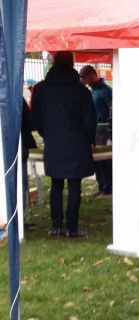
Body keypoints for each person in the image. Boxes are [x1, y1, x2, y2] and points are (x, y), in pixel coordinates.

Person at [31, 51, 96, 238]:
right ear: (72, 64)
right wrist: (87, 139)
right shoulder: (82, 91)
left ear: (53, 63)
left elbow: (36, 118)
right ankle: (72, 228)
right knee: (75, 184)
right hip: (78, 143)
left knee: (56, 183)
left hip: (54, 143)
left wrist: (48, 134)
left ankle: (57, 226)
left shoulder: (41, 89)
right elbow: (90, 121)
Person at [79, 65, 113, 197]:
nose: (84, 81)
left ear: (92, 75)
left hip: (103, 129)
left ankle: (108, 188)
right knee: (96, 160)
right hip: (93, 129)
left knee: (104, 160)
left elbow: (112, 109)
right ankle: (101, 186)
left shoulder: (106, 91)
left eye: (85, 78)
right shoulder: (91, 91)